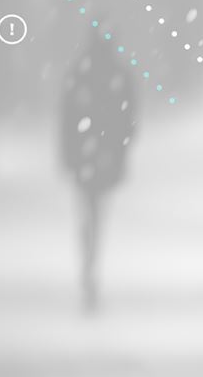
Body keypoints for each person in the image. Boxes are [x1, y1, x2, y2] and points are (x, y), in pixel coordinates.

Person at [59, 28, 140, 313]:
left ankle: (89, 259)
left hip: (86, 154)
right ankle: (91, 260)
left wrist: (69, 154)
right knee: (95, 211)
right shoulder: (116, 75)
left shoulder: (81, 73)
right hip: (103, 155)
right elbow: (129, 120)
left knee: (89, 209)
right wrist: (120, 148)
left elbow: (67, 118)